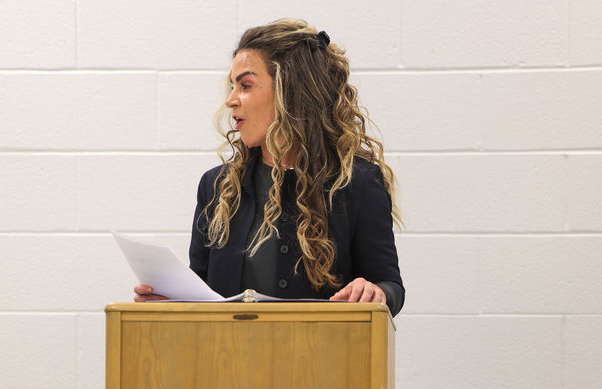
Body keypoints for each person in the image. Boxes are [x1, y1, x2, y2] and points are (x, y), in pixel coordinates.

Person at [134, 19, 404, 315]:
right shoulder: (216, 186)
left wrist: (376, 291)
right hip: (227, 358)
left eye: (245, 85)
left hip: (321, 358)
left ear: (290, 91)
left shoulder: (357, 182)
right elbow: (201, 291)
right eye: (233, 85)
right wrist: (173, 301)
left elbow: (390, 284)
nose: (230, 100)